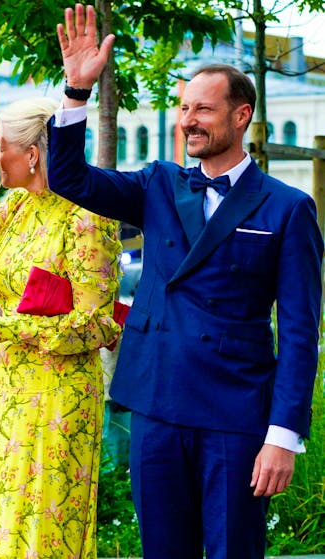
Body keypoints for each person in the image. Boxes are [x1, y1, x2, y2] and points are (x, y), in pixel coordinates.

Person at [48, 6, 323, 558]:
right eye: (183, 108)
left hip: (235, 412)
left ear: (242, 116)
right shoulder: (158, 183)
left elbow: (299, 334)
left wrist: (282, 436)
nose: (188, 120)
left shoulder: (288, 208)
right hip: (156, 403)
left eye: (203, 109)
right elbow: (69, 178)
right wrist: (77, 91)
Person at [0, 96, 122, 558]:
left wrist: (1, 329)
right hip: (8, 389)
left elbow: (97, 325)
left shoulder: (85, 214)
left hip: (60, 395)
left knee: (43, 526)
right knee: (1, 522)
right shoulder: (13, 208)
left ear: (32, 154)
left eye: (0, 147)